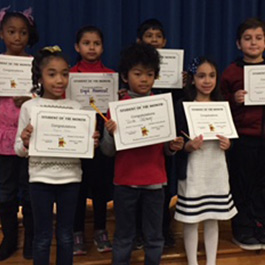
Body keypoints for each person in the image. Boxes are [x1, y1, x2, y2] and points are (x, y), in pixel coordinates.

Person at [14, 46, 100, 265]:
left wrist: (91, 143)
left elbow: (83, 149)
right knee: (42, 237)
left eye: (64, 74)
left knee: (65, 235)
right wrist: (25, 142)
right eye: (52, 74)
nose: (59, 80)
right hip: (40, 180)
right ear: (40, 77)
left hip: (70, 179)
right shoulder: (29, 107)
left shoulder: (77, 108)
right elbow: (18, 150)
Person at [101, 42, 184, 265]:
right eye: (138, 74)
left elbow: (166, 150)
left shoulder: (161, 105)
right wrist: (109, 133)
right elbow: (108, 152)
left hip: (155, 183)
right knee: (124, 236)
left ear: (156, 77)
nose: (144, 79)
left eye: (149, 74)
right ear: (126, 76)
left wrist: (173, 146)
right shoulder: (116, 107)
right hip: (125, 182)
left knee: (154, 237)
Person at [174, 56, 237, 265]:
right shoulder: (183, 105)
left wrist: (229, 144)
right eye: (201, 76)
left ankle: (211, 262)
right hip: (193, 169)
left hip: (216, 167)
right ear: (192, 79)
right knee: (191, 219)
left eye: (211, 75)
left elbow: (230, 137)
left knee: (213, 217)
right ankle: (193, 262)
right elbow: (177, 141)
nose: (207, 81)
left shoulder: (222, 105)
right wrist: (187, 146)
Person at [136, 18, 184, 248]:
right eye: (149, 36)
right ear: (140, 41)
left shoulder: (174, 71)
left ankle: (162, 230)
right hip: (139, 138)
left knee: (162, 188)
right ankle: (137, 232)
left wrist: (183, 84)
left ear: (165, 41)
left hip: (165, 136)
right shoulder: (131, 68)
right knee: (136, 187)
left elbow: (180, 104)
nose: (153, 40)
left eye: (158, 36)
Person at [221, 17, 265, 250]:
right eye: (248, 39)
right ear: (239, 44)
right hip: (243, 138)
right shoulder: (231, 72)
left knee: (262, 184)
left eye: (258, 38)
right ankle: (243, 229)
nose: (253, 43)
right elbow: (217, 105)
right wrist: (234, 100)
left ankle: (261, 226)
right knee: (242, 184)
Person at [71, 25, 114, 254]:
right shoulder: (69, 75)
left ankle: (100, 229)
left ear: (102, 47)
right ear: (77, 47)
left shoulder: (110, 76)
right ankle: (77, 231)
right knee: (77, 188)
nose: (91, 47)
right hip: (77, 141)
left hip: (103, 140)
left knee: (100, 188)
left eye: (96, 43)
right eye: (86, 43)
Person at [0, 6, 38, 260]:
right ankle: (10, 237)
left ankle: (31, 240)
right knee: (5, 190)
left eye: (23, 32)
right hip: (2, 138)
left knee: (31, 188)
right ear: (2, 33)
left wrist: (31, 96)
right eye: (11, 32)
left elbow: (48, 96)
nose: (17, 37)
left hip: (29, 136)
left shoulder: (37, 64)